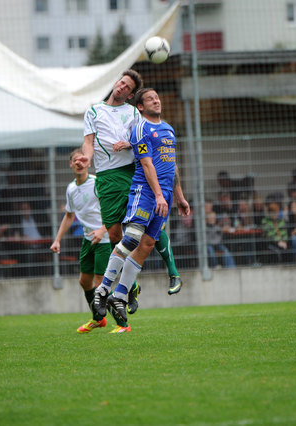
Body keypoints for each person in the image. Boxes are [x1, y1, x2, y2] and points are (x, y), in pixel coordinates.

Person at [80, 69, 184, 301]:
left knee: (146, 227)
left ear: (130, 96)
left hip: (133, 172)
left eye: (127, 87)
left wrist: (127, 144)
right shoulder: (94, 110)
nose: (122, 87)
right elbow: (88, 142)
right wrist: (87, 158)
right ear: (116, 83)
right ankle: (130, 284)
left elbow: (141, 138)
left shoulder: (135, 114)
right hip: (107, 175)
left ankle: (172, 272)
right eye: (122, 82)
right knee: (116, 232)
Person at [92, 88, 190, 331]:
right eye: (150, 99)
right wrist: (157, 194)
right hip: (145, 192)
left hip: (165, 196)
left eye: (157, 96)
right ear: (141, 108)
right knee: (132, 238)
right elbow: (146, 164)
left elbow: (171, 166)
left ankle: (120, 295)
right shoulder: (140, 128)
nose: (156, 100)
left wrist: (179, 197)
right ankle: (103, 289)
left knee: (146, 246)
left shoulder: (168, 129)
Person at [49, 148, 114, 333]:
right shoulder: (71, 188)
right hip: (88, 239)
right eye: (75, 161)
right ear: (70, 164)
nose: (78, 163)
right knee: (84, 281)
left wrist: (103, 229)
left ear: (88, 163)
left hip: (104, 238)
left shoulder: (96, 183)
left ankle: (122, 323)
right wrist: (57, 240)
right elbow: (69, 216)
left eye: (82, 160)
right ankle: (98, 319)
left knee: (101, 283)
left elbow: (113, 208)